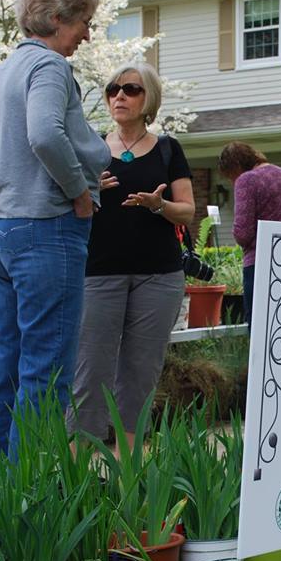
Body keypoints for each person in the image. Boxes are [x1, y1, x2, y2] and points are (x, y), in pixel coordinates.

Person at [0, 0, 110, 467]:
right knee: (47, 373)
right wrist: (77, 195)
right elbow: (45, 134)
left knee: (10, 367)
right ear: (58, 18)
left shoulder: (0, 75)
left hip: (3, 231)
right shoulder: (49, 68)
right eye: (84, 21)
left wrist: (10, 187)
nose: (87, 33)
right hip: (48, 230)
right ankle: (30, 503)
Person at [66, 62, 194, 447]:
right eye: (113, 88)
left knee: (139, 374)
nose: (119, 95)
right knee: (89, 373)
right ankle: (78, 476)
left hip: (158, 277)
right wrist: (89, 193)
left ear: (149, 98)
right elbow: (66, 206)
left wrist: (159, 205)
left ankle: (127, 472)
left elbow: (187, 210)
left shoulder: (168, 149)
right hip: (98, 274)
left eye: (131, 89)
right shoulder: (88, 146)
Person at [217, 142, 281, 324]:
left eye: (229, 176)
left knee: (260, 326)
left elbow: (243, 233)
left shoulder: (247, 179)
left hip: (260, 265)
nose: (231, 181)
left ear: (235, 166)